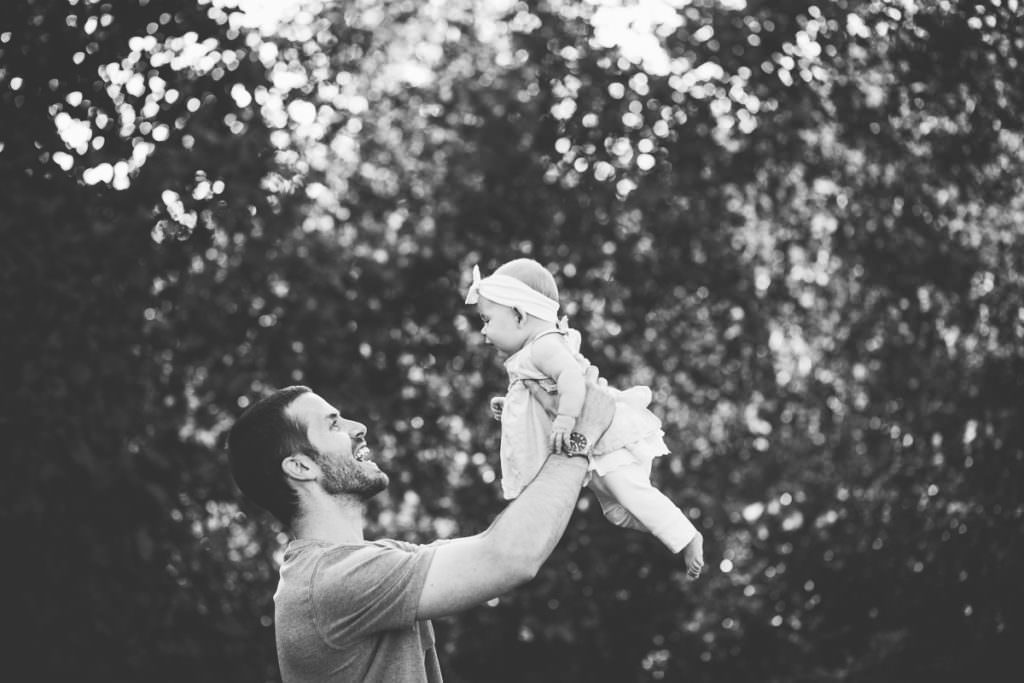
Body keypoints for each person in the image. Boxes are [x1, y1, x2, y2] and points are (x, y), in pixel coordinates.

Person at [227, 377, 615, 683]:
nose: (358, 427)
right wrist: (579, 439)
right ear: (301, 468)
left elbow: (496, 543)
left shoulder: (365, 563)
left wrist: (541, 425)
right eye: (333, 425)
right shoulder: (331, 582)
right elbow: (508, 557)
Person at [464, 258, 704, 578]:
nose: (483, 332)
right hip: (596, 444)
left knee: (630, 493)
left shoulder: (544, 346)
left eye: (487, 320)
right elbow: (543, 394)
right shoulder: (535, 350)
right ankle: (668, 527)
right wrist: (509, 405)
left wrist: (565, 420)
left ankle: (685, 535)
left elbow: (573, 382)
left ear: (520, 315)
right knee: (617, 512)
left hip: (608, 438)